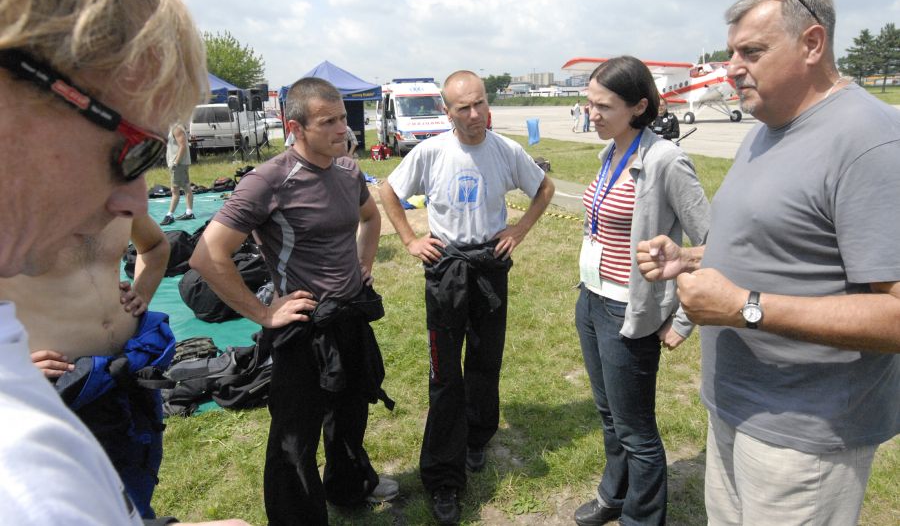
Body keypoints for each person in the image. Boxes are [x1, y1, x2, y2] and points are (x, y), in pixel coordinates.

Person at [0, 0, 247, 524]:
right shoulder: (25, 480)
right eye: (132, 150)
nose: (137, 196)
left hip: (117, 375)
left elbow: (154, 249)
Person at [636, 0, 900, 525]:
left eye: (751, 52)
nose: (732, 67)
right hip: (736, 410)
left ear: (812, 44)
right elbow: (780, 244)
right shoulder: (768, 126)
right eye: (731, 52)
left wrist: (744, 307)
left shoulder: (869, 140)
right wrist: (690, 259)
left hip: (805, 437)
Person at [190, 77, 398, 526]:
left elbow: (368, 216)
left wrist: (363, 265)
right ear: (295, 126)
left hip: (349, 317)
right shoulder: (269, 180)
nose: (342, 129)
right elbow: (207, 255)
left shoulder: (346, 169)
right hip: (302, 329)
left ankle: (348, 487)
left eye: (343, 117)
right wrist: (265, 313)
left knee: (350, 412)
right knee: (293, 440)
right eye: (328, 121)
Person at [379, 70, 555, 525]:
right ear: (447, 111)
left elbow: (544, 188)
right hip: (446, 271)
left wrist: (519, 229)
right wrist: (409, 240)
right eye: (463, 108)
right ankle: (442, 478)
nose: (474, 115)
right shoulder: (432, 152)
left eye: (479, 104)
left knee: (484, 360)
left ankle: (477, 437)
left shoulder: (505, 151)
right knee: (444, 375)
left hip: (489, 268)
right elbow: (389, 191)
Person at [572, 57, 709, 526]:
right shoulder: (610, 152)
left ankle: (642, 518)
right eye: (589, 104)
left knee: (636, 431)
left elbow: (711, 243)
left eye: (603, 106)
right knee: (609, 417)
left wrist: (684, 319)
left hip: (626, 312)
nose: (591, 114)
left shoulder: (667, 161)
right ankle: (615, 496)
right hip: (591, 301)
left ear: (638, 107)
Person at [0, 214, 172, 518]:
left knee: (137, 483)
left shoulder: (116, 195)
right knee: (78, 507)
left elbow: (155, 245)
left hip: (126, 373)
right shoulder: (14, 203)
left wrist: (141, 292)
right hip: (63, 389)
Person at [160, 122, 194, 225]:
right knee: (186, 187)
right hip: (179, 164)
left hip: (178, 164)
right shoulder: (173, 127)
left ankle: (169, 215)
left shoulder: (176, 128)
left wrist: (176, 162)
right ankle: (189, 213)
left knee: (175, 190)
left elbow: (182, 146)